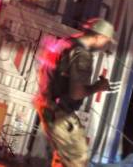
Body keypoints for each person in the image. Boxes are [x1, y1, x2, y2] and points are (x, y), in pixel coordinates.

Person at [34, 17, 120, 167]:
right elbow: (77, 93)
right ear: (99, 37)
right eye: (106, 40)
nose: (105, 45)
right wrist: (98, 87)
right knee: (78, 159)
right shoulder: (82, 55)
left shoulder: (65, 42)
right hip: (59, 111)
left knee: (63, 158)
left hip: (47, 104)